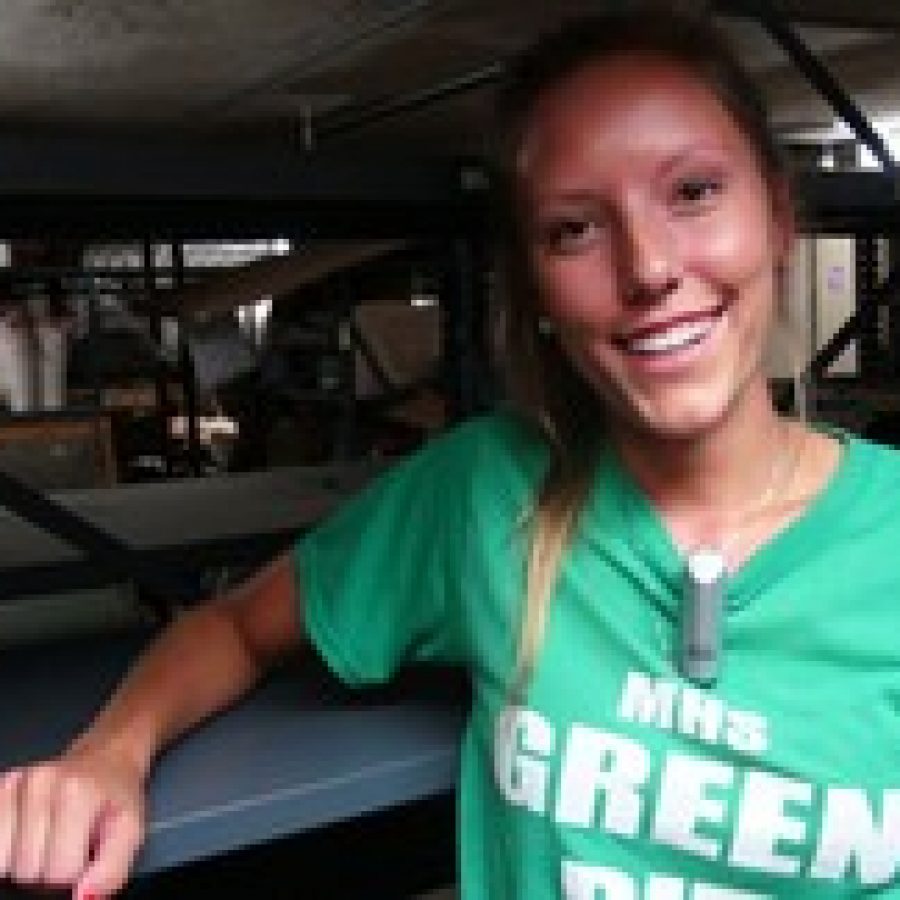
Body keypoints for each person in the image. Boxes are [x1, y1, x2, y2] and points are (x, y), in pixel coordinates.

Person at [4, 5, 900, 898]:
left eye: (695, 191)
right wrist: (106, 757)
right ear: (536, 290)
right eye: (574, 230)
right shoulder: (486, 494)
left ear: (779, 216)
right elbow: (234, 626)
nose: (648, 268)